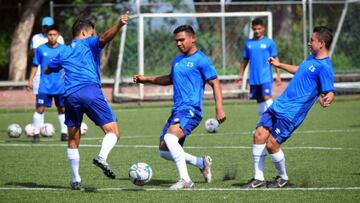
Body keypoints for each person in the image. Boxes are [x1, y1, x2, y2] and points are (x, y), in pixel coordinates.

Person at [133, 25, 226, 189]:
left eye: (182, 40)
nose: (178, 43)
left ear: (193, 38)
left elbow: (215, 82)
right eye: (177, 41)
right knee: (164, 151)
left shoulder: (201, 60)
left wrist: (219, 108)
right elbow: (169, 79)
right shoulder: (177, 60)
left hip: (191, 110)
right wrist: (144, 79)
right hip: (177, 110)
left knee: (170, 138)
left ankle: (185, 180)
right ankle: (201, 162)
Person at [242, 26, 335, 188]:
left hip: (292, 113)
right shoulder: (311, 58)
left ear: (321, 43)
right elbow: (301, 71)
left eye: (312, 40)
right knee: (258, 134)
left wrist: (327, 98)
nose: (309, 43)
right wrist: (279, 65)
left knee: (272, 144)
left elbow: (330, 90)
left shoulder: (325, 67)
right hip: (279, 105)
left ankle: (283, 178)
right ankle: (258, 178)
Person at [45, 12, 129, 190]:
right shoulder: (88, 43)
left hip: (70, 97)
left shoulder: (63, 51)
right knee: (113, 132)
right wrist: (119, 25)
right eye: (91, 33)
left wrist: (54, 70)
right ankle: (102, 157)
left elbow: (48, 68)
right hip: (90, 91)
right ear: (84, 33)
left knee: (73, 140)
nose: (93, 36)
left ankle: (76, 179)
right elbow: (105, 37)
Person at [27, 25, 67, 143]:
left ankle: (64, 133)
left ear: (58, 35)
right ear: (47, 36)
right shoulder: (40, 49)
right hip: (44, 85)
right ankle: (36, 134)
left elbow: (69, 64)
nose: (52, 37)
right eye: (50, 35)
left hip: (60, 85)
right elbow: (35, 65)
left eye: (54, 35)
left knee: (62, 108)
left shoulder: (64, 49)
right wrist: (30, 80)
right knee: (40, 109)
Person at [235, 18, 281, 117]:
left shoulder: (269, 42)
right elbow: (245, 60)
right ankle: (262, 125)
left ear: (263, 28)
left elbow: (275, 58)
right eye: (255, 29)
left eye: (259, 28)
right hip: (254, 78)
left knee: (266, 97)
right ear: (252, 29)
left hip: (266, 77)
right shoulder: (249, 43)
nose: (257, 31)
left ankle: (276, 119)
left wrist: (278, 75)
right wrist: (240, 74)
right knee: (259, 100)